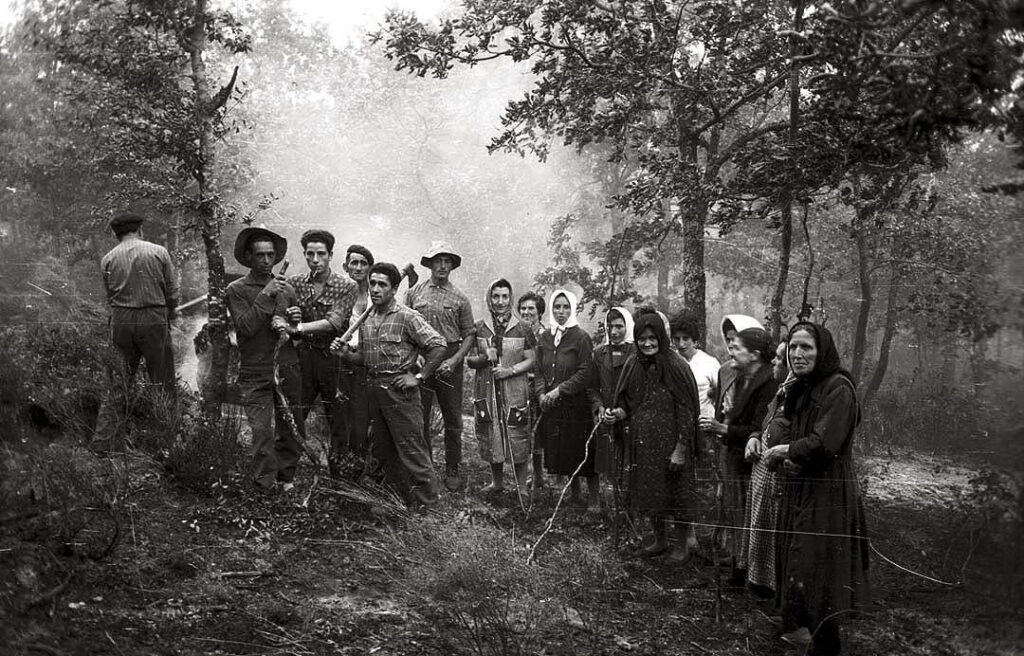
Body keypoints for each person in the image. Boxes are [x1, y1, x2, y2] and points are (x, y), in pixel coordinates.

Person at [764, 322, 869, 656]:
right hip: (801, 486)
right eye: (793, 347)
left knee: (819, 567)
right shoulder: (803, 386)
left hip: (827, 492)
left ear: (821, 350)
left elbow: (825, 443)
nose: (797, 354)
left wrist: (786, 452)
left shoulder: (838, 387)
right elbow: (790, 428)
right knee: (796, 558)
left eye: (806, 347)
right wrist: (788, 454)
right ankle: (799, 631)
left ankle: (827, 645)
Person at [333, 262, 446, 507]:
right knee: (385, 452)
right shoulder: (368, 317)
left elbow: (438, 345)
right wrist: (345, 354)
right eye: (372, 283)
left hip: (400, 393)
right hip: (374, 391)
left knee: (412, 452)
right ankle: (403, 504)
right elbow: (364, 357)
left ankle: (430, 508)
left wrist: (418, 377)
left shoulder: (407, 316)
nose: (375, 289)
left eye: (382, 284)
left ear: (394, 288)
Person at [602, 313, 700, 561]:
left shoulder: (676, 366)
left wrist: (681, 447)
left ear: (661, 338)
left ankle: (681, 547)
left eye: (652, 338)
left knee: (676, 492)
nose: (647, 343)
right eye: (642, 339)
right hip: (644, 444)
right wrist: (617, 414)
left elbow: (687, 409)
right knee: (650, 491)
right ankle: (659, 540)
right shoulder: (634, 364)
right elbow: (629, 402)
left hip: (672, 443)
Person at [94, 212, 180, 451]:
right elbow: (172, 293)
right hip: (153, 318)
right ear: (140, 229)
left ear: (116, 233)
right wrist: (171, 315)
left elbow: (109, 296)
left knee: (117, 382)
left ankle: (103, 443)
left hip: (121, 321)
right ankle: (168, 444)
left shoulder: (108, 259)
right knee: (162, 381)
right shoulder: (158, 252)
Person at [226, 226, 304, 491]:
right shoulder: (236, 290)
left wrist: (294, 321)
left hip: (286, 367)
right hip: (254, 369)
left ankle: (286, 480)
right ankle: (264, 485)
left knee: (291, 425)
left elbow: (296, 335)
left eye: (271, 255)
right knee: (261, 430)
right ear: (249, 257)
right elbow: (245, 328)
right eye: (260, 255)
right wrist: (265, 295)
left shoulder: (288, 289)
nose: (266, 260)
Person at [279, 230, 359, 479]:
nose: (315, 259)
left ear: (331, 256)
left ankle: (339, 478)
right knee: (294, 413)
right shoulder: (295, 283)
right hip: (302, 357)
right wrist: (290, 317)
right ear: (304, 255)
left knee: (338, 418)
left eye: (321, 254)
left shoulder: (347, 286)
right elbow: (284, 315)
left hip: (332, 359)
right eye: (310, 254)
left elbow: (334, 322)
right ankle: (284, 475)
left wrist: (297, 327)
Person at [701, 327, 778, 583]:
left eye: (737, 348)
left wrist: (722, 428)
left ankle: (750, 574)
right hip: (735, 458)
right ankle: (738, 568)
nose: (731, 352)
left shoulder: (769, 381)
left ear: (755, 354)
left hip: (752, 463)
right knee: (736, 513)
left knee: (751, 517)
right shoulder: (742, 377)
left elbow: (759, 427)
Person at [405, 241, 475, 492]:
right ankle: (426, 467)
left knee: (453, 417)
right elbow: (406, 328)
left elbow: (469, 334)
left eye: (447, 261)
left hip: (449, 359)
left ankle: (453, 468)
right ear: (430, 264)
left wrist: (455, 361)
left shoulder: (460, 298)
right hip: (423, 359)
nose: (443, 265)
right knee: (419, 416)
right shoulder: (414, 293)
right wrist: (415, 356)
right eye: (438, 261)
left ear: (452, 265)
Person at [466, 279, 537, 495]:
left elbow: (532, 359)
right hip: (487, 389)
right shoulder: (479, 327)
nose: (500, 301)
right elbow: (469, 360)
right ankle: (496, 483)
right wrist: (484, 358)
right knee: (491, 430)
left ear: (511, 298)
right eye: (496, 296)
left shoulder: (522, 327)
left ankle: (521, 485)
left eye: (505, 296)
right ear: (489, 297)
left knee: (518, 431)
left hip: (514, 388)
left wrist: (510, 370)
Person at [534, 289, 599, 510]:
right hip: (553, 405)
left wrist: (559, 390)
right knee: (563, 449)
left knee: (582, 450)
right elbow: (539, 368)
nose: (561, 312)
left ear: (572, 309)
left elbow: (584, 372)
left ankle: (594, 498)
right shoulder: (545, 337)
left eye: (566, 307)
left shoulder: (581, 337)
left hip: (575, 404)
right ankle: (574, 493)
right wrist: (542, 393)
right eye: (557, 307)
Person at [744, 339, 793, 596]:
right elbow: (765, 421)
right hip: (763, 471)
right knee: (760, 527)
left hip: (779, 476)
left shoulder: (799, 395)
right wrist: (754, 436)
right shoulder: (780, 390)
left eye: (778, 358)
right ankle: (760, 581)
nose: (774, 361)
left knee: (775, 532)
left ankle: (775, 589)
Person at [338, 244, 375, 473]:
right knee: (342, 413)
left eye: (363, 263)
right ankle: (340, 461)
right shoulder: (340, 292)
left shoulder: (376, 294)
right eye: (354, 263)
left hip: (367, 361)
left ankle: (359, 462)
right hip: (342, 359)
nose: (358, 268)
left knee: (363, 415)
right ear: (346, 266)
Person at [590, 307, 635, 483]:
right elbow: (592, 387)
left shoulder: (636, 353)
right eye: (610, 326)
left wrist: (624, 410)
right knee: (609, 465)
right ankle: (610, 503)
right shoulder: (599, 353)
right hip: (606, 417)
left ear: (627, 326)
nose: (614, 331)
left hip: (629, 417)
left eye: (619, 326)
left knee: (629, 463)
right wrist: (599, 407)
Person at [517, 290, 547, 488]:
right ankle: (527, 475)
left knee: (537, 433)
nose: (527, 312)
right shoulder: (518, 332)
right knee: (521, 430)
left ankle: (538, 476)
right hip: (520, 387)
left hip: (539, 387)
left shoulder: (545, 335)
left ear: (539, 313)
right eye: (523, 309)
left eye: (531, 309)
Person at [670, 310, 720, 420]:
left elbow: (721, 392)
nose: (681, 344)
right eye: (677, 339)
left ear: (694, 339)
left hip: (704, 424)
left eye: (686, 338)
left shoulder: (709, 363)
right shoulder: (670, 363)